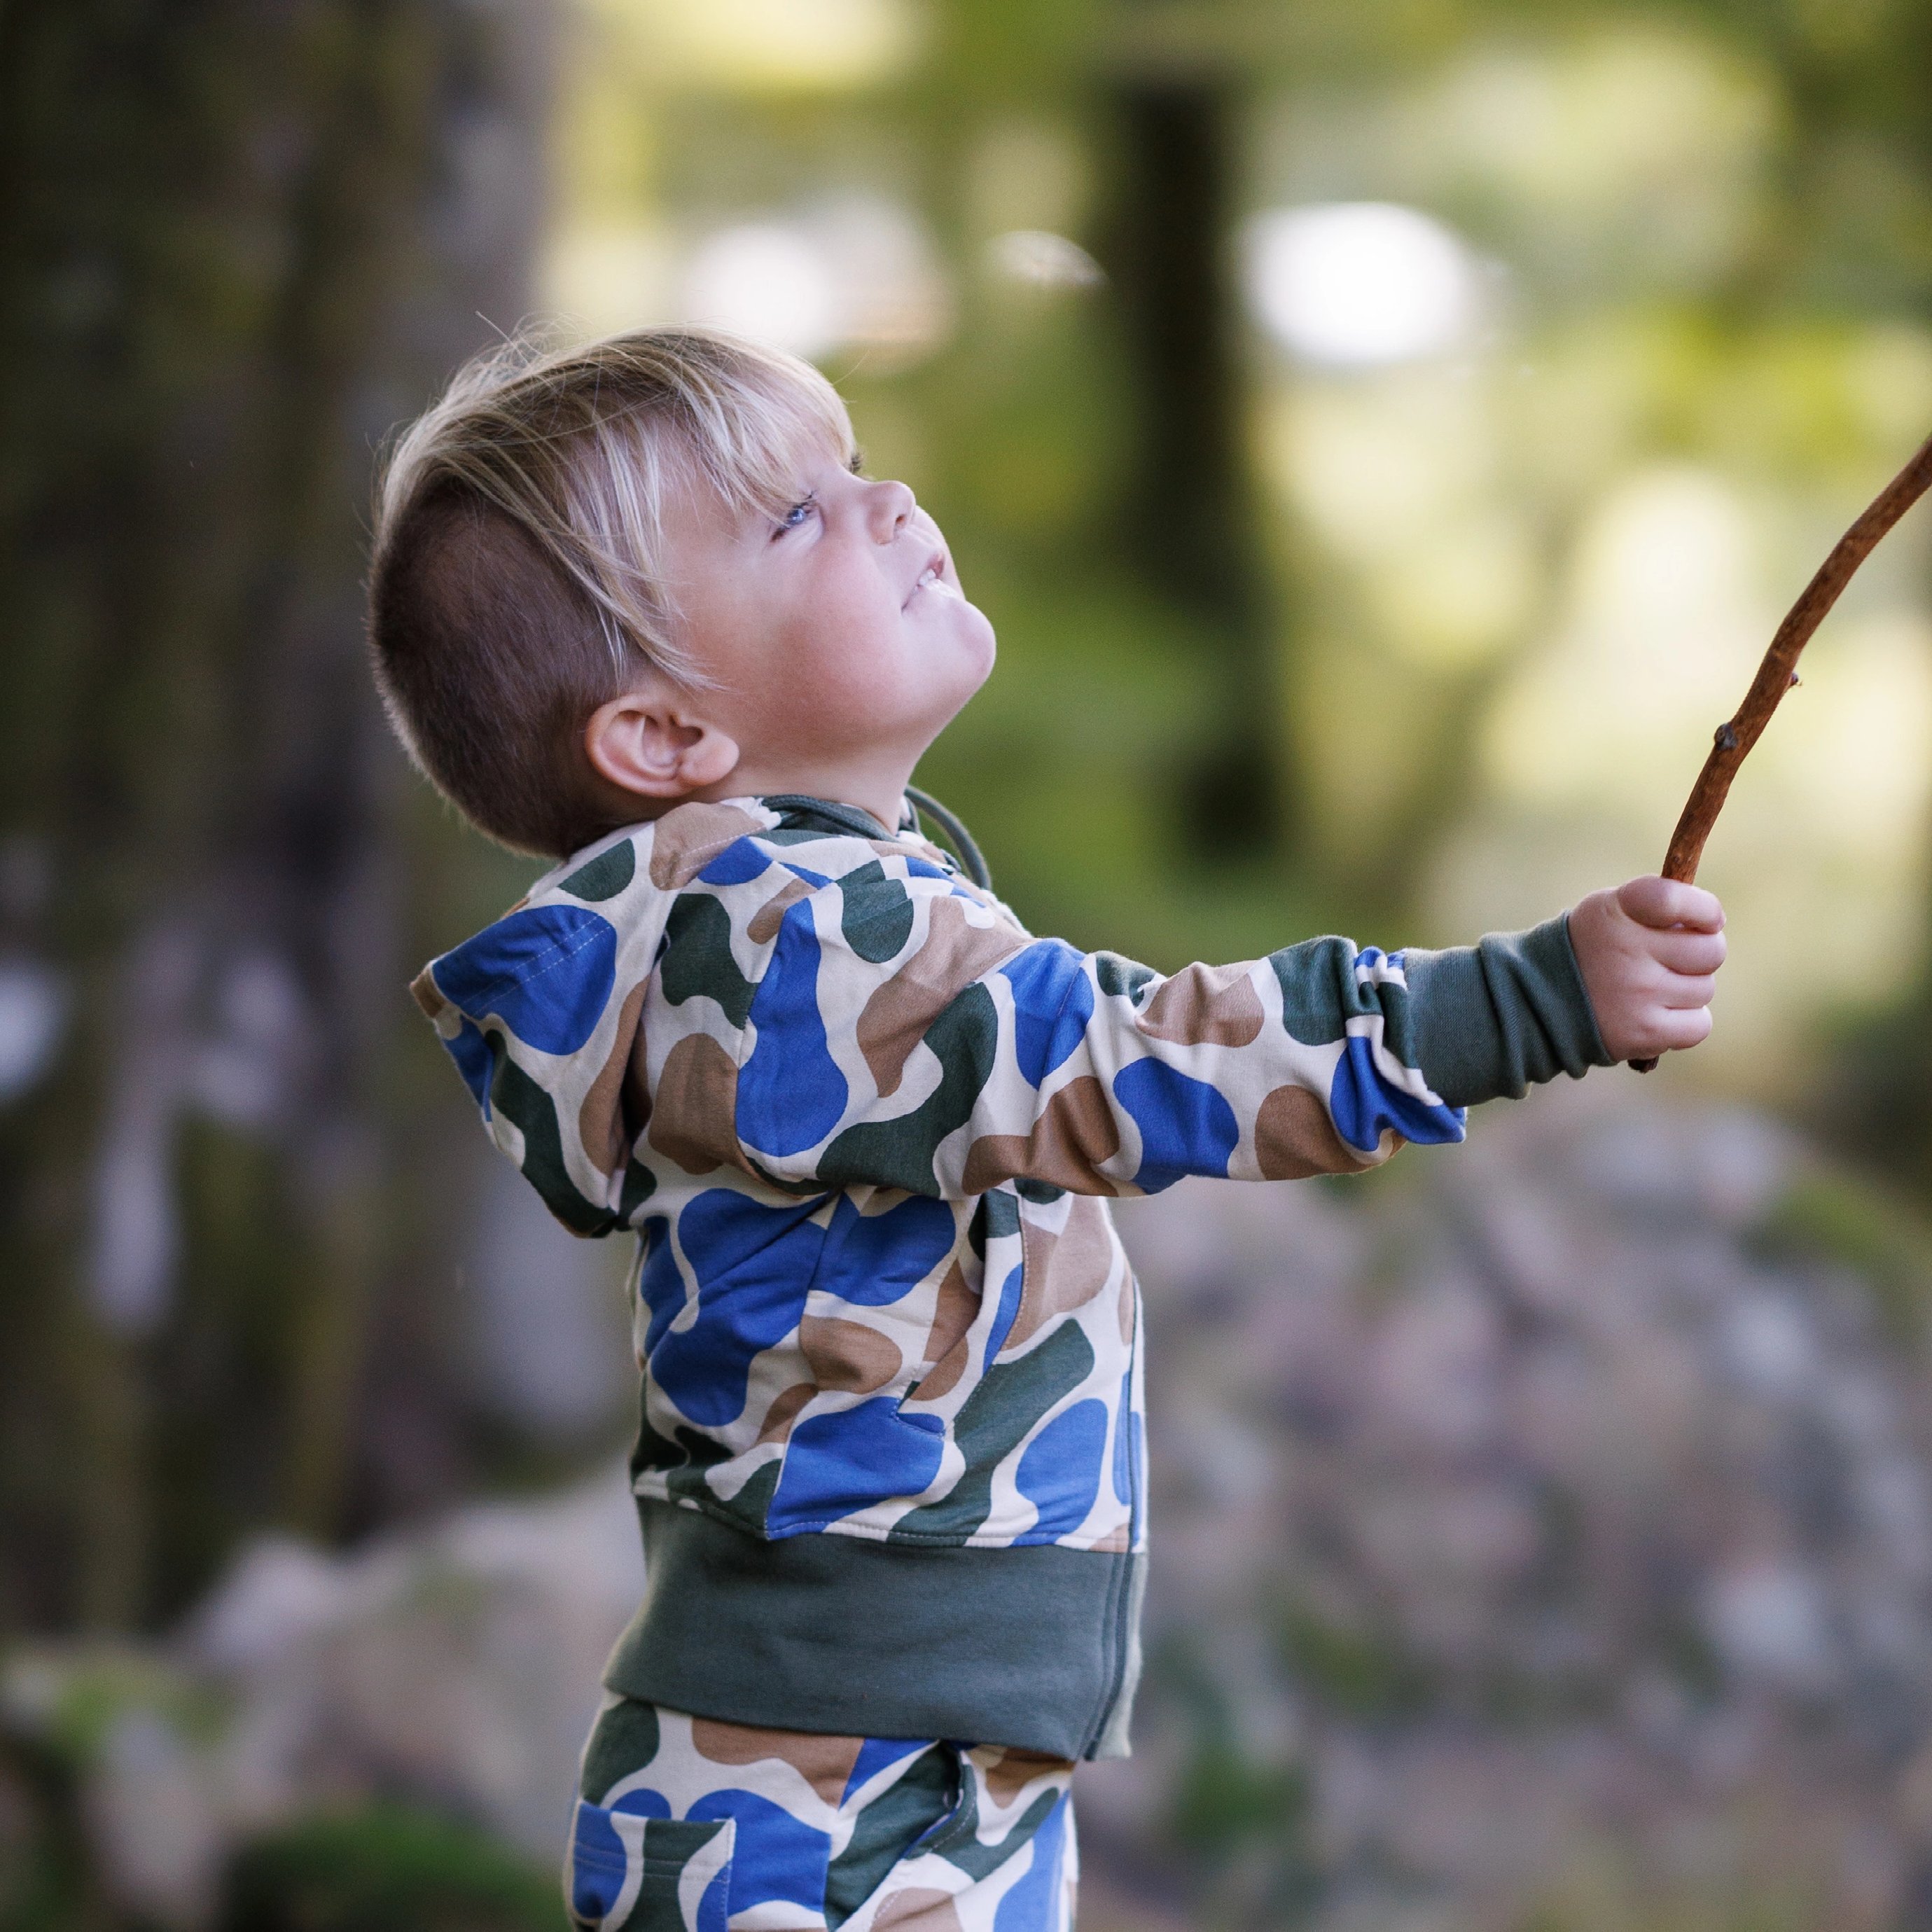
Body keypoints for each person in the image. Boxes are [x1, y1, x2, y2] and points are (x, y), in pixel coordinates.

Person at [368, 327, 1724, 1932]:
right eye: (791, 516)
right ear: (667, 739)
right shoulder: (775, 940)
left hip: (903, 1746)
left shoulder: (824, 910)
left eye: (850, 464)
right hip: (815, 1789)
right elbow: (1120, 1061)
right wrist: (1514, 1003)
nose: (884, 503)